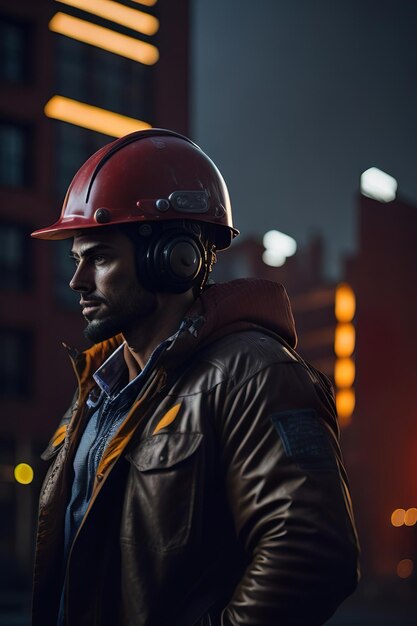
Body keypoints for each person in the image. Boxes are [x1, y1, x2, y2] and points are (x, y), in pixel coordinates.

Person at [31, 129, 359, 626]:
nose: (77, 281)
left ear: (173, 259)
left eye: (98, 257)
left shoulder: (255, 375)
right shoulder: (96, 393)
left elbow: (312, 554)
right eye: (77, 260)